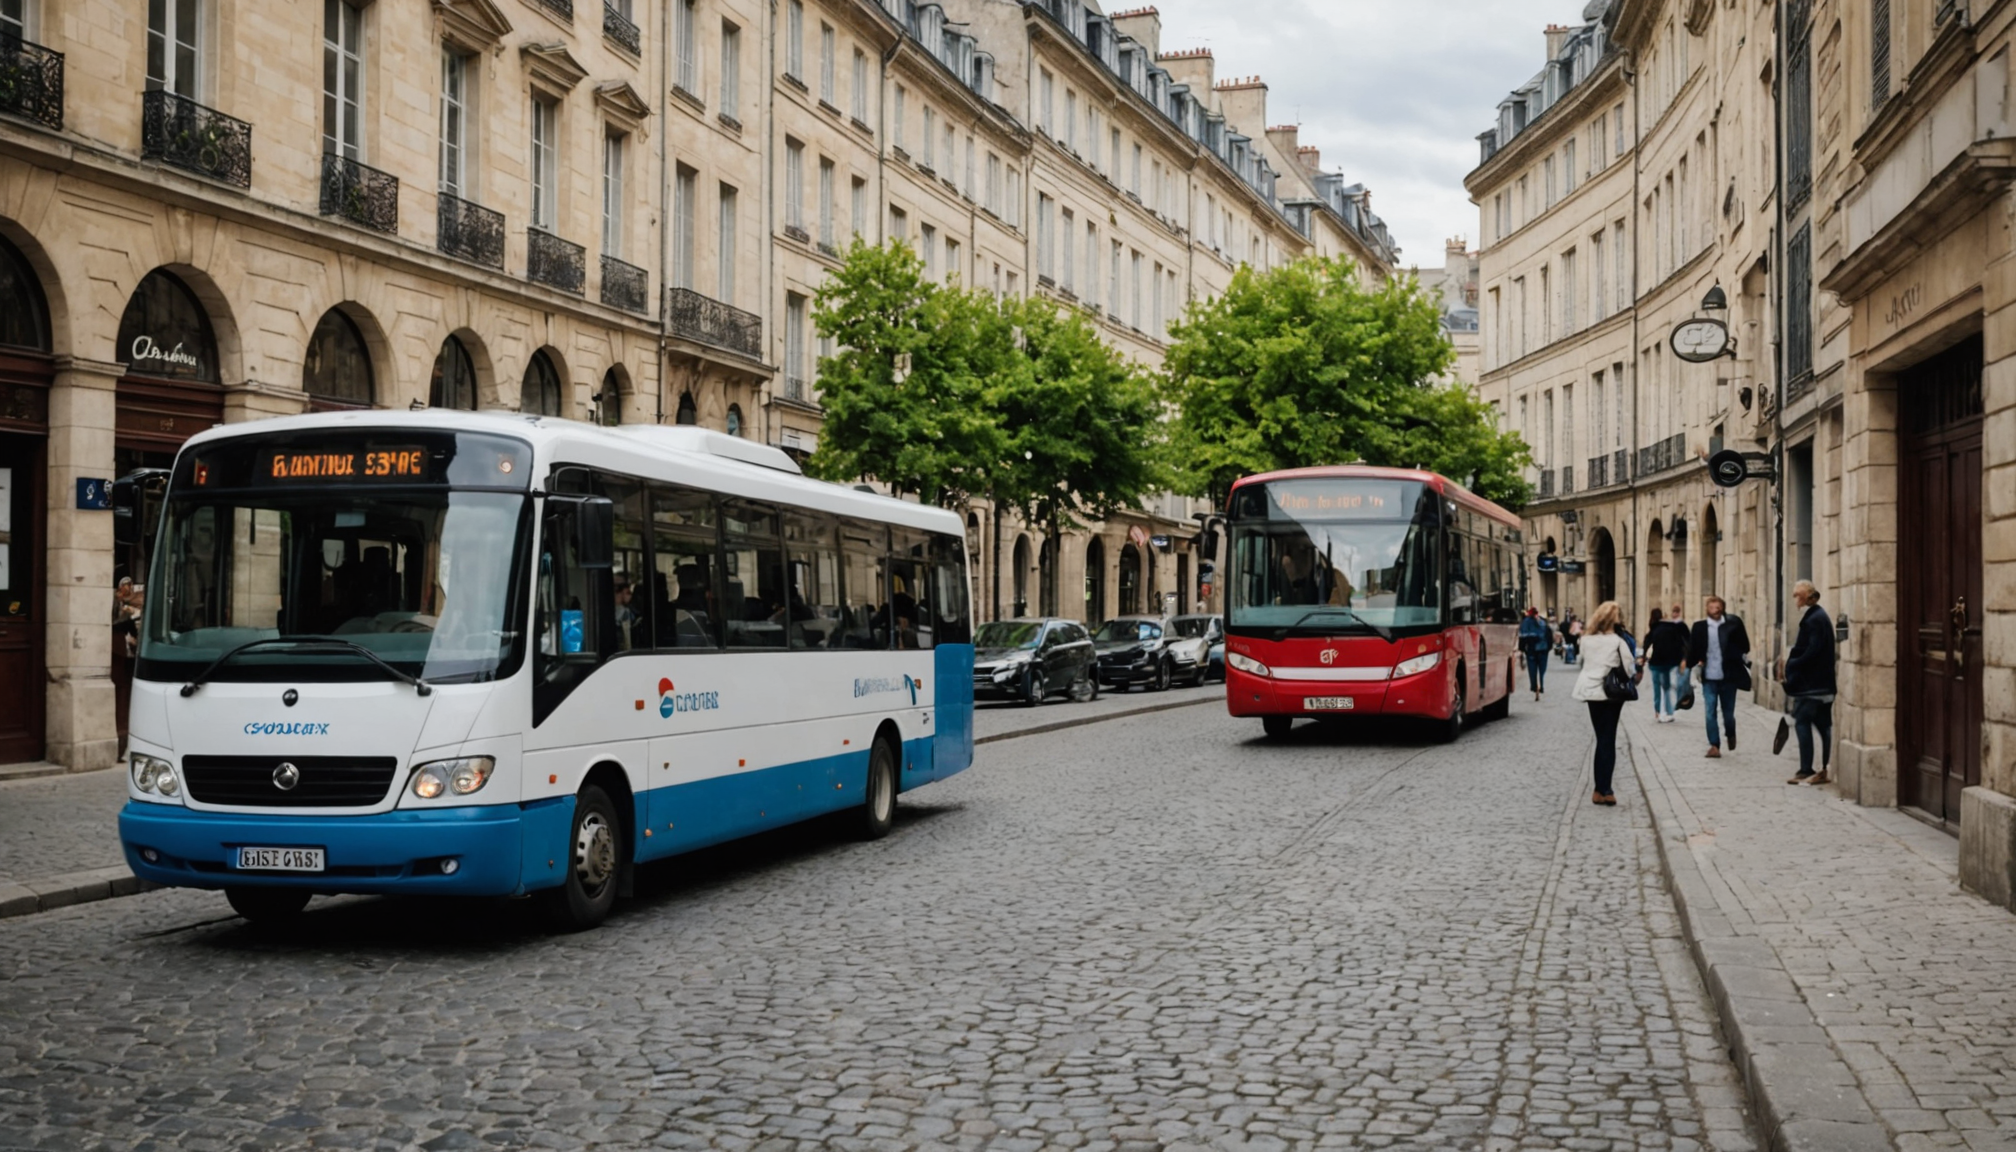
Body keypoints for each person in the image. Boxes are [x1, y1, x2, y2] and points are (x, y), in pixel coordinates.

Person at [1572, 600, 1632, 807]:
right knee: (1608, 739)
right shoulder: (1617, 641)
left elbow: (1584, 660)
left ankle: (1600, 789)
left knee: (1601, 738)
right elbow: (1629, 667)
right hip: (1611, 692)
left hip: (1590, 691)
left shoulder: (1586, 640)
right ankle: (1604, 789)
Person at [1781, 580, 1836, 786]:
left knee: (1802, 721)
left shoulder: (1814, 619)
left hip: (1813, 685)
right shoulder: (1818, 616)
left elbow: (1812, 650)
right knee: (1823, 724)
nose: (1795, 599)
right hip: (1822, 683)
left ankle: (1806, 769)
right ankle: (1825, 767)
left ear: (1807, 596)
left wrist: (1794, 663)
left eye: (1798, 595)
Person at [1685, 595, 1752, 758]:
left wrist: (1731, 650)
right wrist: (1685, 667)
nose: (1715, 610)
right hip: (1709, 676)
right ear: (1707, 610)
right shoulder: (1699, 627)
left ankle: (1730, 733)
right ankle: (1714, 745)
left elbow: (1745, 647)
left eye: (1718, 607)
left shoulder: (1733, 625)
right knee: (1710, 711)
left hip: (1729, 676)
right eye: (1712, 607)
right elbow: (1693, 651)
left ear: (1723, 609)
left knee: (1728, 713)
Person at [1644, 608, 1690, 723]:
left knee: (1657, 687)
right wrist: (1682, 658)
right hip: (1668, 662)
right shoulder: (1672, 627)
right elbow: (1681, 642)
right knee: (1666, 687)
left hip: (1655, 662)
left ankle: (1658, 711)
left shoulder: (1654, 627)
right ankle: (1669, 711)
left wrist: (1644, 657)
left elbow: (1647, 642)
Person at [1518, 607, 1553, 700]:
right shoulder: (1543, 622)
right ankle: (1541, 685)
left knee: (1532, 669)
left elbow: (1522, 637)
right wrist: (1549, 647)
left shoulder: (1525, 622)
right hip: (1543, 649)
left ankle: (1534, 685)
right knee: (1542, 669)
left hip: (1531, 650)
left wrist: (1521, 649)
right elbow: (1549, 635)